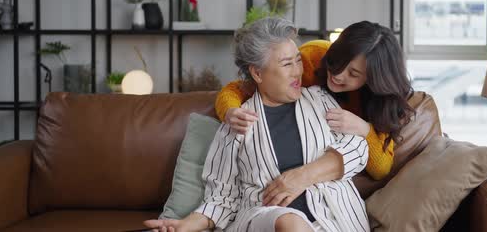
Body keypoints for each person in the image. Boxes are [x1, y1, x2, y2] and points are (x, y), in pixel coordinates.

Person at [144, 18, 369, 232]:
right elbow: (221, 199)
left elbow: (359, 149)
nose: (298, 71)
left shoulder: (321, 100)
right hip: (269, 220)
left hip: (334, 217)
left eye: (298, 60)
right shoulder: (238, 124)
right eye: (286, 63)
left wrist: (304, 176)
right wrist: (186, 225)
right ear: (257, 73)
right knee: (288, 221)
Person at [215, 20, 415, 180]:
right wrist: (230, 111)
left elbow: (381, 169)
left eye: (353, 74)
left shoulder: (380, 101)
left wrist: (364, 129)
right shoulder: (311, 58)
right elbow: (239, 88)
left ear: (373, 80)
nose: (338, 74)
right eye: (338, 61)